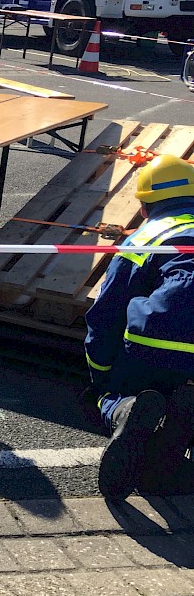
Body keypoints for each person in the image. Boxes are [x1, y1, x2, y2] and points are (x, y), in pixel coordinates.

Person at [84, 154, 194, 497]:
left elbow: (108, 311)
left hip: (160, 337)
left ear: (145, 207)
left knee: (119, 390)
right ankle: (182, 420)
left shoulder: (149, 236)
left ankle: (123, 407)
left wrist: (101, 375)